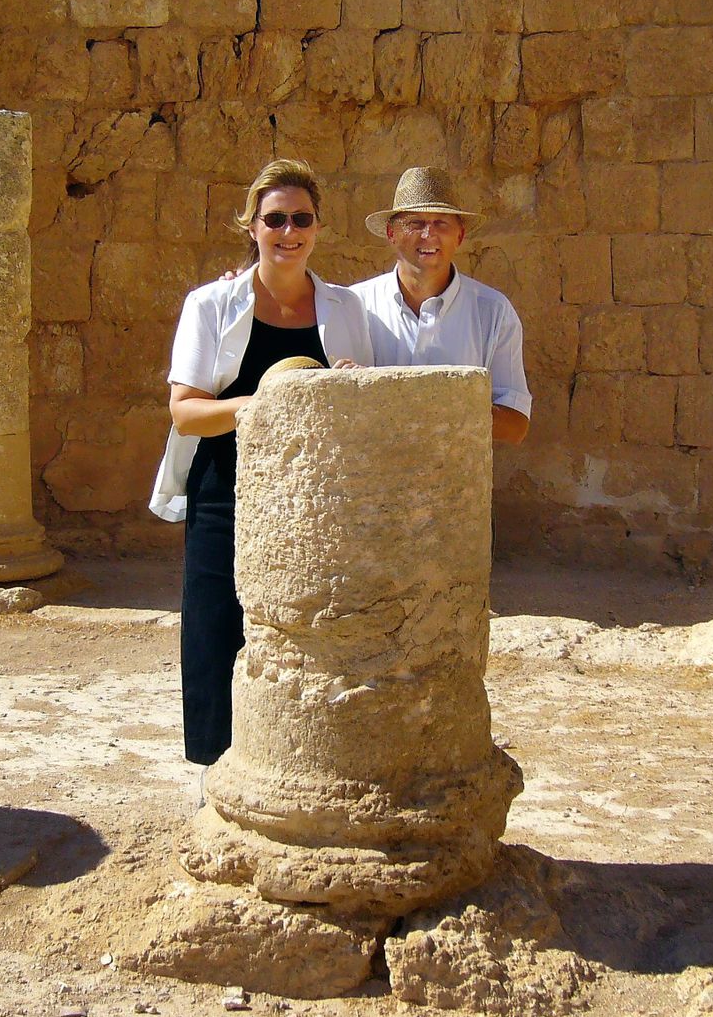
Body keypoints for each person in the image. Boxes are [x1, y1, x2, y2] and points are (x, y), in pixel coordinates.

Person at [149, 159, 372, 769]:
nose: (288, 230)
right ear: (251, 226)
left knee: (303, 632)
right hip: (225, 483)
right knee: (214, 628)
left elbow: (358, 403)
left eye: (302, 218)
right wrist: (269, 400)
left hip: (311, 492)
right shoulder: (211, 304)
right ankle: (211, 769)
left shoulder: (347, 310)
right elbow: (186, 413)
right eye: (275, 218)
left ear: (319, 228)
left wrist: (346, 388)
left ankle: (291, 764)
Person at [354, 166, 530, 445]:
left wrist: (421, 404)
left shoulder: (493, 312)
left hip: (456, 487)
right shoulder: (355, 306)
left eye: (441, 223)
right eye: (415, 223)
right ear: (391, 234)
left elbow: (515, 426)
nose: (428, 235)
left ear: (459, 236)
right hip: (373, 485)